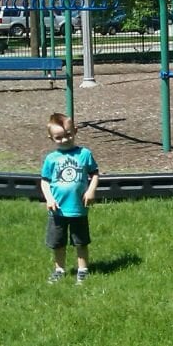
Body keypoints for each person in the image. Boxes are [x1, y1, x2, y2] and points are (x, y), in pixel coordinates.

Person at [41, 112, 99, 285]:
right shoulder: (51, 159)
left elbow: (95, 174)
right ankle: (59, 269)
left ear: (75, 131)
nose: (64, 140)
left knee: (81, 241)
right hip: (57, 210)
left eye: (68, 135)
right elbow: (45, 181)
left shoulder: (84, 154)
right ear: (51, 138)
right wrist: (49, 199)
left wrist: (91, 191)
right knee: (58, 242)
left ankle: (83, 270)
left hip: (78, 207)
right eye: (59, 138)